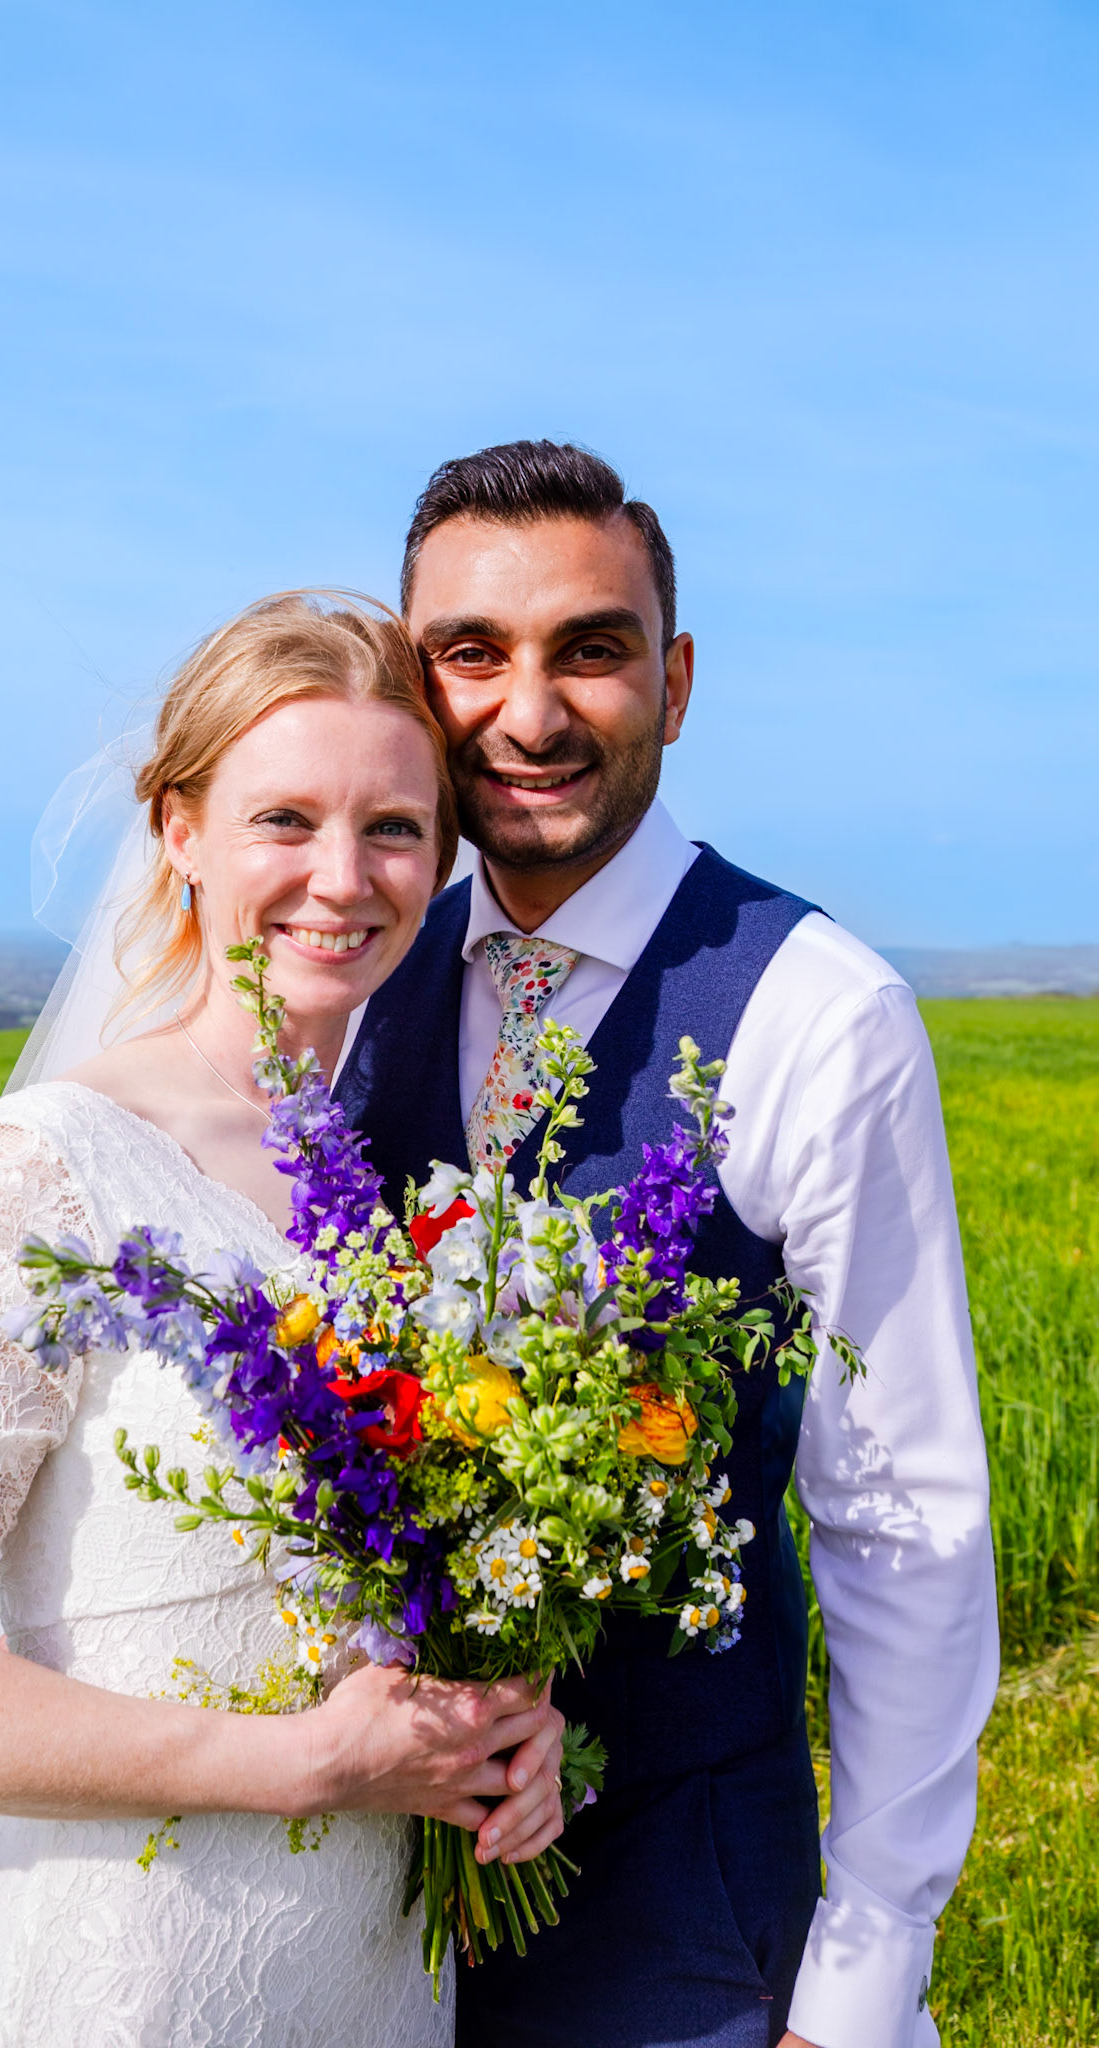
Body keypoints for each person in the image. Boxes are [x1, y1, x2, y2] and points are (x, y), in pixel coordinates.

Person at [0, 592, 566, 2048]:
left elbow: (393, 1609)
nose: (343, 877)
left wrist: (497, 1732)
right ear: (179, 832)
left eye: (393, 829)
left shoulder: (391, 1211)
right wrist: (293, 1767)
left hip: (374, 1980)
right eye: (285, 819)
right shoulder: (41, 1178)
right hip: (130, 1983)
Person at [337, 443, 998, 2048]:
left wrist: (859, 1975)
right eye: (471, 654)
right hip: (354, 1906)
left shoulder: (815, 1013)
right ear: (412, 682)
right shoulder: (354, 971)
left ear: (675, 678)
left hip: (687, 1923)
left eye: (592, 648)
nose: (532, 712)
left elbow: (900, 1512)